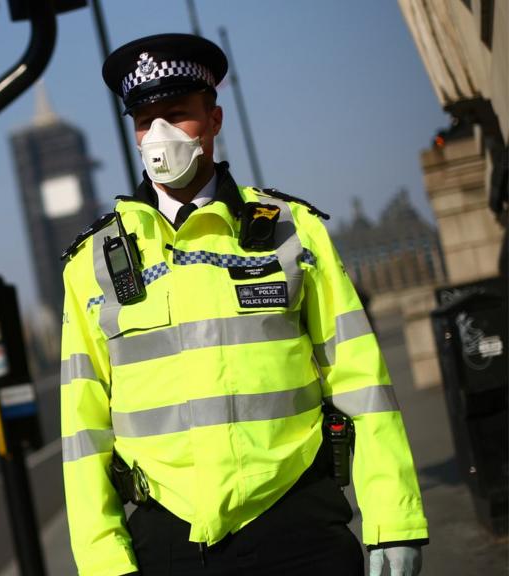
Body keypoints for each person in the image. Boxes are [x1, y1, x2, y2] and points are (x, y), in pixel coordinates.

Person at [59, 33, 428, 576]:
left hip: (298, 523)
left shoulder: (291, 231)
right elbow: (83, 428)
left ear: (214, 120)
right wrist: (102, 561)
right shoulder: (91, 263)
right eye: (145, 120)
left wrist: (393, 522)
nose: (159, 134)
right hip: (168, 540)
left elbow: (360, 382)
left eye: (178, 114)